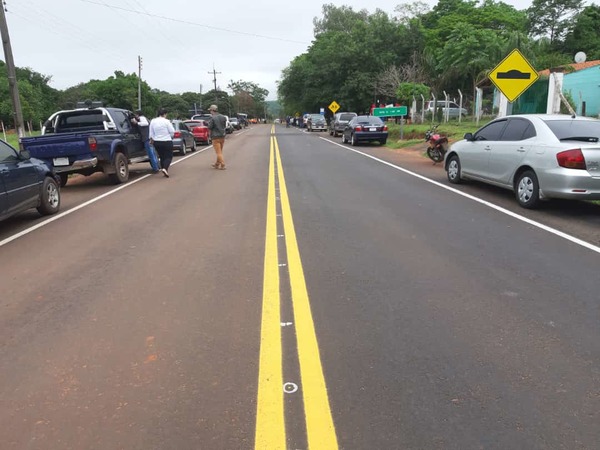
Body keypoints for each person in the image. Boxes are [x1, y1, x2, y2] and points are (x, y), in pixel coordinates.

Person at [149, 108, 175, 178]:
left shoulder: (153, 121)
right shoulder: (166, 121)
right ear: (164, 114)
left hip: (157, 142)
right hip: (166, 141)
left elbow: (151, 132)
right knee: (169, 156)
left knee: (162, 156)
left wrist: (152, 139)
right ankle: (165, 168)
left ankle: (164, 169)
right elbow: (172, 131)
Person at [207, 104, 227, 170]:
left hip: (215, 137)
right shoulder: (223, 117)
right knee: (220, 151)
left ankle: (223, 164)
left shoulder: (212, 118)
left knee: (218, 152)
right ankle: (217, 164)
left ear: (212, 110)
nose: (210, 112)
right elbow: (224, 126)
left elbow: (209, 127)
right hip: (222, 136)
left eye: (210, 110)